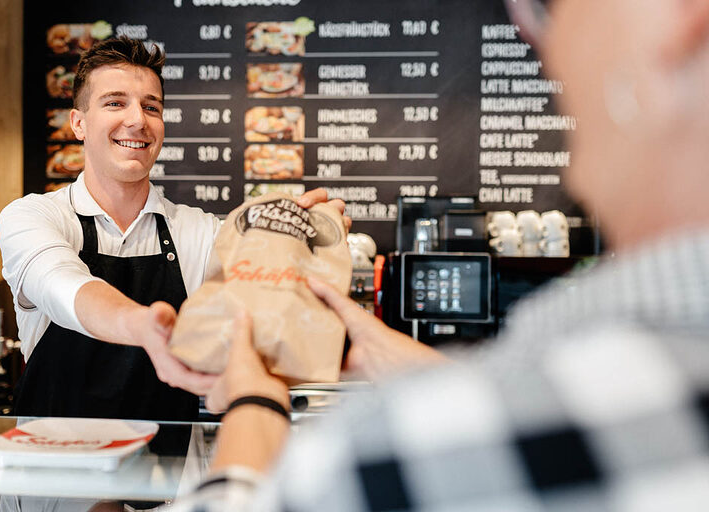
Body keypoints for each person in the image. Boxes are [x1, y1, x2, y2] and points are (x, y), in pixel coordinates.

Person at [170, 0, 709, 509]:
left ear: (679, 15)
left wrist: (256, 405)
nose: (532, 35)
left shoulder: (382, 453)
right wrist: (400, 362)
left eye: (545, 5)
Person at [0, 37, 345, 422]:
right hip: (49, 471)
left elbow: (263, 292)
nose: (137, 120)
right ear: (78, 123)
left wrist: (307, 239)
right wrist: (142, 325)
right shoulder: (32, 217)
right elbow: (60, 284)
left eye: (152, 107)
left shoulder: (201, 232)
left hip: (165, 474)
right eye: (115, 102)